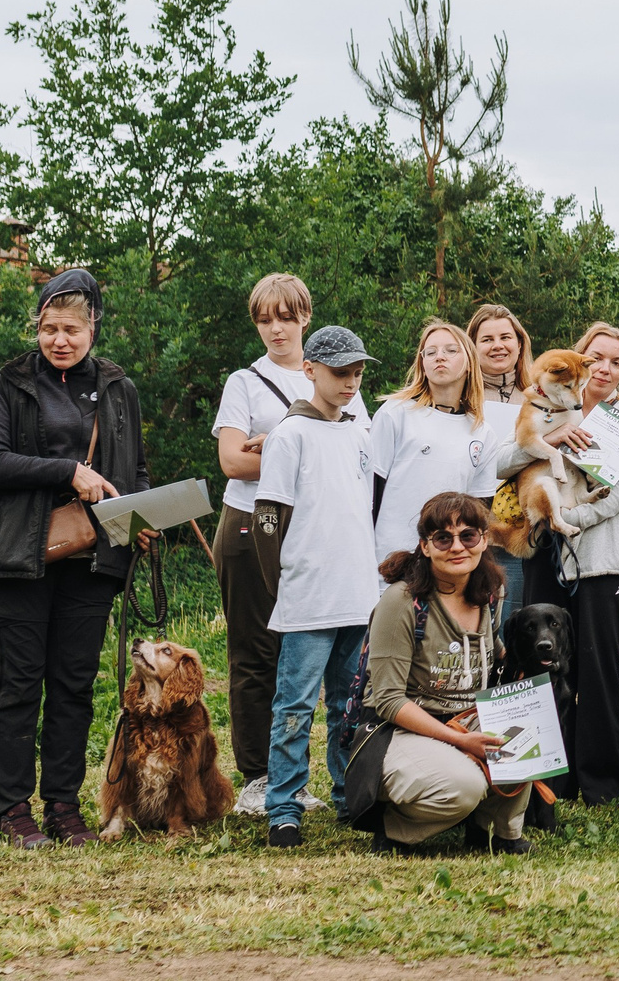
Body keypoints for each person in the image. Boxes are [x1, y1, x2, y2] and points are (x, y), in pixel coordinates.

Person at [0, 268, 150, 849]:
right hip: (16, 557)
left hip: (92, 561)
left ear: (93, 326)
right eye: (50, 329)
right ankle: (12, 811)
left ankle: (63, 809)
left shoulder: (119, 389)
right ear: (38, 327)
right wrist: (67, 471)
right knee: (19, 686)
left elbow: (133, 470)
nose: (59, 340)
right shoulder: (9, 383)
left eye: (71, 329)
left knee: (73, 686)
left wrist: (141, 519)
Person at [211, 272, 370, 818]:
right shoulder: (245, 382)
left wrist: (291, 444)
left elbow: (358, 452)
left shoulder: (342, 373)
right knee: (257, 653)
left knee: (312, 661)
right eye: (264, 319)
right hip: (253, 524)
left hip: (325, 532)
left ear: (305, 317)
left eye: (285, 317)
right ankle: (259, 777)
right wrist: (293, 445)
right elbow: (233, 461)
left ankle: (307, 779)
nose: (275, 329)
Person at [255, 324, 382, 848]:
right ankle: (284, 808)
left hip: (358, 594)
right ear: (310, 370)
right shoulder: (290, 435)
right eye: (339, 372)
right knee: (294, 708)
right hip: (309, 598)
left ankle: (349, 797)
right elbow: (268, 518)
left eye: (357, 373)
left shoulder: (360, 432)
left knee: (349, 707)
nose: (350, 382)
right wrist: (281, 584)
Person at [364, 492, 531, 854]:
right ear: (425, 547)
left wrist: (523, 682)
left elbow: (491, 651)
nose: (457, 547)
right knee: (464, 786)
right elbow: (388, 700)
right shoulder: (402, 602)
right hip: (402, 730)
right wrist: (460, 742)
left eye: (468, 535)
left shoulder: (491, 592)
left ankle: (497, 832)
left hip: (466, 719)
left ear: (484, 540)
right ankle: (394, 829)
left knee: (528, 737)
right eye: (443, 538)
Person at [538, 321, 619, 807]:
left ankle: (603, 785)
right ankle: (551, 783)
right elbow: (505, 462)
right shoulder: (545, 407)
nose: (604, 368)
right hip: (547, 557)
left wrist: (568, 519)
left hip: (604, 558)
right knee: (547, 670)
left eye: (616, 362)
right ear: (576, 359)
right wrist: (550, 438)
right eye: (595, 357)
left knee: (603, 672)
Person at [368, 318, 500, 567]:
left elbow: (478, 514)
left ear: (470, 363)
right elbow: (370, 493)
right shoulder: (395, 413)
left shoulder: (482, 432)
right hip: (390, 560)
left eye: (451, 350)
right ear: (422, 364)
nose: (440, 357)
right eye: (430, 352)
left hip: (449, 562)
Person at [467, 303, 552, 622]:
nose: (498, 346)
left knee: (516, 620)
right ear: (473, 346)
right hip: (471, 529)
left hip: (525, 532)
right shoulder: (461, 397)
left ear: (519, 343)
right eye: (487, 339)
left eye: (505, 337)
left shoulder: (540, 396)